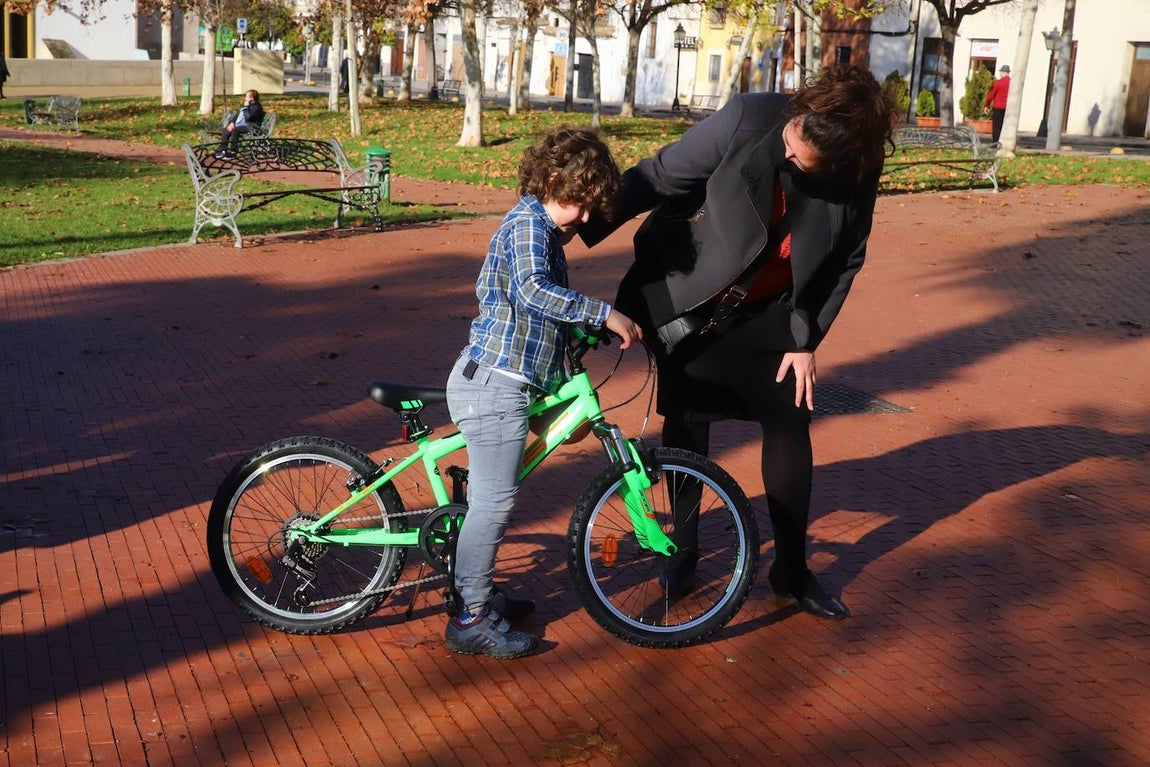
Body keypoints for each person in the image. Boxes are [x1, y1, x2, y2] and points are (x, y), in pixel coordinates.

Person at [581, 64, 897, 622]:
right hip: (689, 294)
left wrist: (807, 338)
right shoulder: (751, 118)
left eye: (801, 156)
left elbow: (848, 256)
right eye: (792, 135)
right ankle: (683, 551)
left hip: (773, 308)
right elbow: (660, 175)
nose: (787, 151)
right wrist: (572, 221)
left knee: (790, 415)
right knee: (687, 419)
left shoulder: (858, 169)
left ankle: (792, 570)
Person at [444, 127, 643, 659]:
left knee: (513, 477)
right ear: (553, 181)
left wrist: (583, 330)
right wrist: (601, 311)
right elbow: (534, 290)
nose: (583, 217)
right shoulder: (529, 225)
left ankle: (475, 591)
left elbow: (535, 311)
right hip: (496, 384)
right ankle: (469, 615)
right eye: (579, 202)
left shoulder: (543, 230)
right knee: (495, 501)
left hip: (509, 379)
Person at [214, 89, 264, 159]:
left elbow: (249, 118)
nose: (245, 98)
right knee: (226, 130)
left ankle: (233, 151)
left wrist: (246, 107)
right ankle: (223, 151)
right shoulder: (245, 106)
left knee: (236, 130)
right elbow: (236, 115)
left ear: (251, 98)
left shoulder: (257, 107)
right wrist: (232, 123)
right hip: (241, 126)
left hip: (251, 127)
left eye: (246, 96)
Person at [984, 64, 1011, 144]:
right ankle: (1004, 142)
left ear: (1002, 73)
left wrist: (986, 105)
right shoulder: (1012, 83)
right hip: (1008, 108)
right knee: (1005, 125)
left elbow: (990, 96)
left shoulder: (998, 83)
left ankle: (996, 142)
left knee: (996, 126)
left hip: (998, 106)